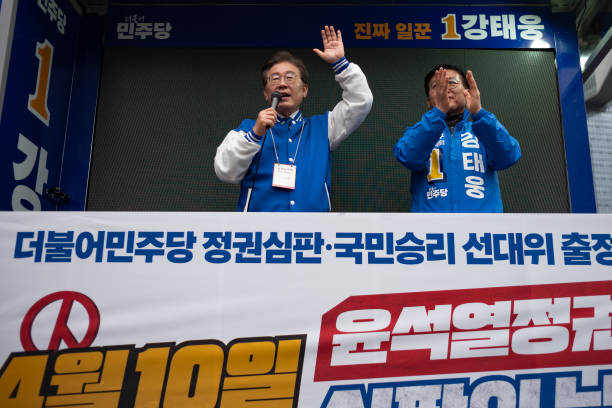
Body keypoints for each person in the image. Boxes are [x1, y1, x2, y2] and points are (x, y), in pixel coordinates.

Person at [214, 26, 373, 212]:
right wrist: (255, 135)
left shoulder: (324, 127)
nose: (282, 84)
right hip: (261, 235)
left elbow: (361, 101)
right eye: (275, 79)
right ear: (266, 93)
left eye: (290, 78)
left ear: (304, 90)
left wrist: (341, 64)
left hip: (311, 234)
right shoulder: (247, 130)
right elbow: (225, 172)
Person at [394, 64, 521, 212]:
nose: (445, 89)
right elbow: (408, 157)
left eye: (452, 83)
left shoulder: (482, 130)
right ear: (429, 101)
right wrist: (438, 112)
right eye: (437, 85)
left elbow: (509, 156)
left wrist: (479, 113)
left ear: (467, 92)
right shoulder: (419, 132)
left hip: (481, 232)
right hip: (431, 232)